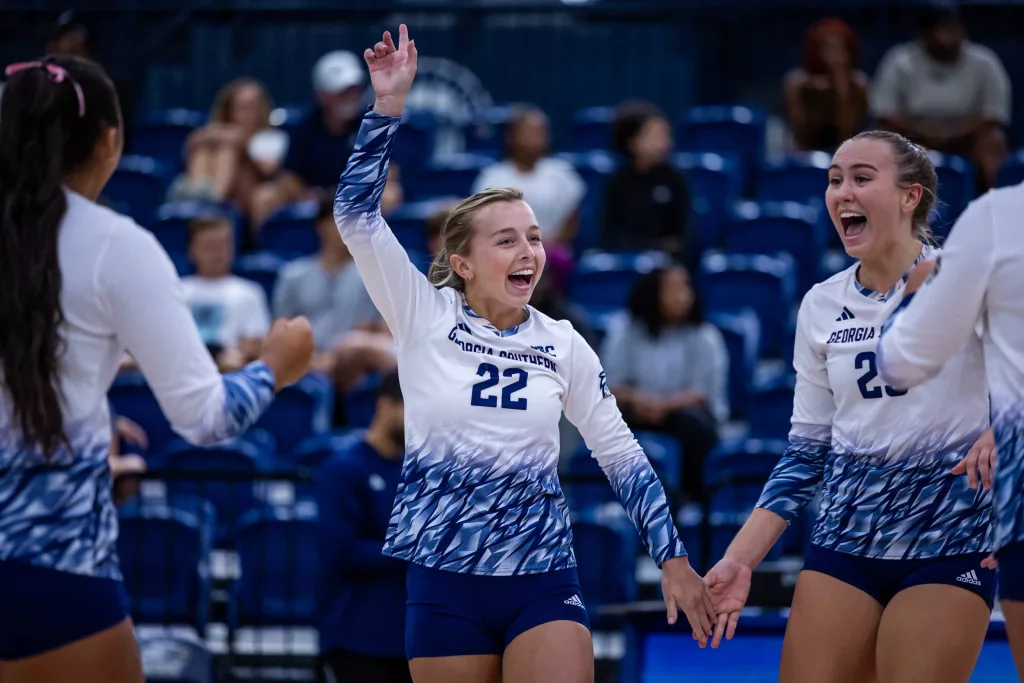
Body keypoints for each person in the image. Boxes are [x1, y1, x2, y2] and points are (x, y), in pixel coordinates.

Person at [333, 25, 715, 683]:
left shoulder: (562, 341)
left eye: (534, 237)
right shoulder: (424, 313)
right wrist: (388, 107)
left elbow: (621, 454)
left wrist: (673, 558)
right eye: (506, 240)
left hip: (541, 574)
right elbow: (356, 217)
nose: (528, 252)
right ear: (463, 262)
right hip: (444, 577)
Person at [0, 55, 314, 681]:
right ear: (111, 143)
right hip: (57, 572)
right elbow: (205, 418)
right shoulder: (119, 246)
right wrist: (275, 367)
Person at [703, 130, 997, 683]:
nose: (842, 192)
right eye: (835, 180)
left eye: (862, 178)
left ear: (910, 197)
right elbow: (805, 454)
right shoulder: (820, 304)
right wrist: (740, 560)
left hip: (948, 542)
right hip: (843, 544)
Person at [875, 183, 1024, 678]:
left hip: (964, 526)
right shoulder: (820, 302)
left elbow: (900, 362)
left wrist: (912, 300)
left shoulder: (997, 219)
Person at [600, 265, 728, 501]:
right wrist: (640, 399)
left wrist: (662, 406)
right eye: (673, 289)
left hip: (685, 418)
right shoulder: (624, 332)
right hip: (638, 411)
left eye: (686, 288)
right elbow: (608, 385)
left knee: (693, 426)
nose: (683, 296)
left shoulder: (705, 336)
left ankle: (692, 500)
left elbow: (701, 393)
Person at [316, 370, 411, 683]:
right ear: (384, 405)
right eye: (413, 409)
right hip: (357, 636)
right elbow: (340, 552)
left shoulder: (423, 470)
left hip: (413, 638)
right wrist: (416, 551)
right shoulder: (343, 469)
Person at [871, 2, 1010, 190]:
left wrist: (953, 133)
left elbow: (992, 115)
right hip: (913, 135)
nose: (951, 35)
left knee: (994, 140)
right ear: (925, 34)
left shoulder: (984, 61)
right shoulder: (900, 60)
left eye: (955, 28)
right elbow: (886, 113)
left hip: (969, 136)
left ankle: (994, 202)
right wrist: (924, 131)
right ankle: (880, 203)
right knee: (882, 137)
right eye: (943, 29)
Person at [600, 101, 691, 261]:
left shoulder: (675, 180)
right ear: (633, 141)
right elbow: (610, 233)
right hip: (625, 260)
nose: (666, 143)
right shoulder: (617, 182)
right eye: (656, 135)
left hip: (666, 261)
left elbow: (683, 236)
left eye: (667, 135)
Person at [783, 18, 869, 152]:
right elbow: (802, 134)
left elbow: (848, 135)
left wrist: (841, 86)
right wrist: (816, 99)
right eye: (829, 48)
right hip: (805, 153)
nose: (836, 55)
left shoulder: (858, 83)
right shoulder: (796, 83)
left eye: (841, 48)